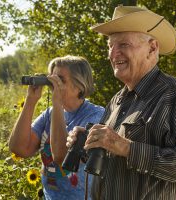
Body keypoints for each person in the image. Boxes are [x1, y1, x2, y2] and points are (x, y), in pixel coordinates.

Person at [66, 5, 176, 200]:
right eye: (110, 46)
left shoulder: (173, 92)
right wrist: (88, 144)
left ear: (152, 47)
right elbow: (114, 161)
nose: (113, 55)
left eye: (123, 45)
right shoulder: (116, 100)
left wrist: (127, 148)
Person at [9, 55, 105, 200]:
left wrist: (57, 103)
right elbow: (20, 148)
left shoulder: (95, 117)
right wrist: (31, 100)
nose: (53, 85)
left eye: (60, 80)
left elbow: (61, 157)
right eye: (51, 79)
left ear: (79, 85)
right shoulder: (50, 114)